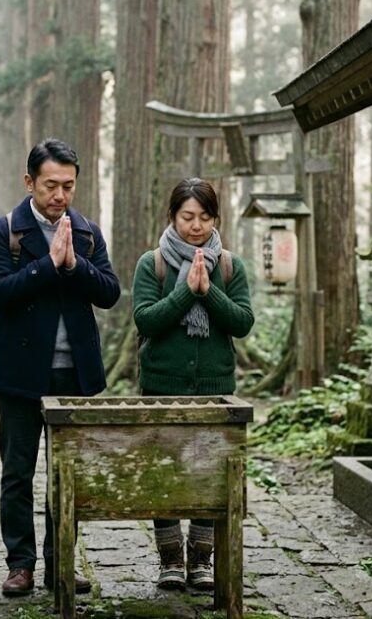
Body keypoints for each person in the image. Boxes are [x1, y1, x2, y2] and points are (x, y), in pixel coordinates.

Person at [0, 138, 120, 597]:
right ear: (29, 182)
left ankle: (61, 560)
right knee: (17, 471)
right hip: (19, 373)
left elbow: (108, 292)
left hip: (71, 374)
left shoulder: (87, 232)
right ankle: (20, 564)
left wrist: (75, 264)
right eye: (50, 185)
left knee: (67, 473)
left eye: (68, 186)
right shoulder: (4, 231)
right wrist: (46, 265)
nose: (59, 196)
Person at [132, 178, 254, 592]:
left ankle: (202, 556)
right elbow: (145, 319)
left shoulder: (229, 266)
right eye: (187, 217)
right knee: (163, 474)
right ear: (172, 217)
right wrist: (186, 293)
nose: (196, 226)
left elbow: (242, 321)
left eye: (204, 217)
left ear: (216, 218)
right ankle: (170, 557)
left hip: (215, 387)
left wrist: (210, 293)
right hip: (161, 387)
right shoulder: (153, 264)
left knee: (210, 474)